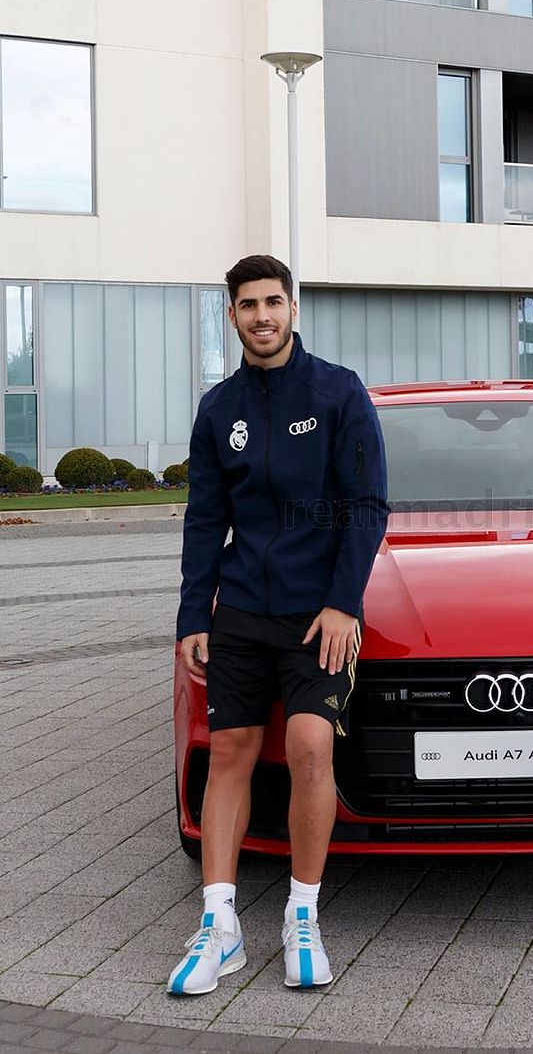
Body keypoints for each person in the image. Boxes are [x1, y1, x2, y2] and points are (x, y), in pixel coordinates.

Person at [169, 254, 388, 995]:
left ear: (293, 308)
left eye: (273, 302)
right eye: (247, 305)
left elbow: (367, 505)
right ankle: (220, 925)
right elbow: (206, 518)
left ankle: (303, 913)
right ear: (230, 316)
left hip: (316, 612)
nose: (262, 316)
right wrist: (194, 612)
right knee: (229, 747)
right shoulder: (217, 410)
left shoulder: (338, 393)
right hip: (241, 610)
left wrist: (344, 602)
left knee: (308, 743)